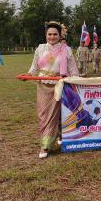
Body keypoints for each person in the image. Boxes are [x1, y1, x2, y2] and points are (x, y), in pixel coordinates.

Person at [25, 21, 79, 159]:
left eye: (55, 34)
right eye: (49, 34)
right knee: (44, 115)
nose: (52, 37)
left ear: (60, 35)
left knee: (60, 113)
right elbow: (34, 67)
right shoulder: (40, 49)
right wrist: (28, 75)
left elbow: (73, 69)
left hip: (60, 84)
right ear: (46, 35)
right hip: (43, 84)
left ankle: (53, 141)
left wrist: (77, 81)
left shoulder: (66, 49)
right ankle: (50, 141)